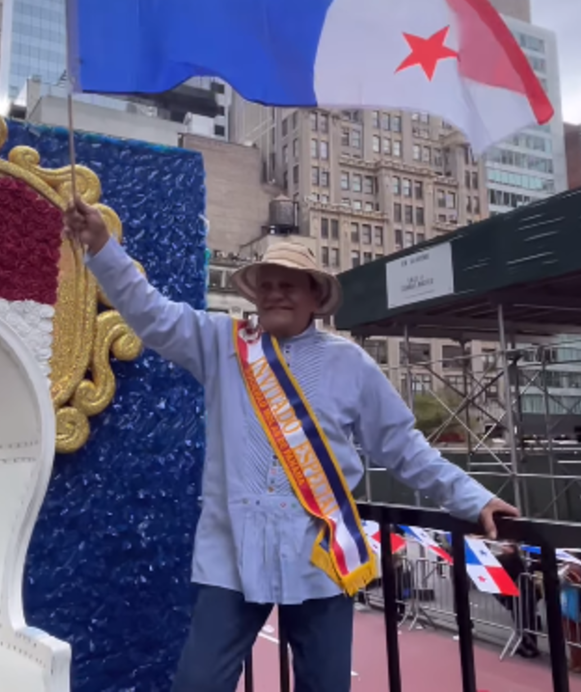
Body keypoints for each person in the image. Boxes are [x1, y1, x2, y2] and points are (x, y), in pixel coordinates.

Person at [64, 200, 518, 692]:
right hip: (231, 554)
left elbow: (404, 448)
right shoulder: (221, 342)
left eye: (289, 283)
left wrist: (475, 499)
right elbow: (150, 313)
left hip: (320, 557)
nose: (276, 293)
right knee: (197, 683)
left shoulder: (352, 364)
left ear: (314, 295)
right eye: (268, 284)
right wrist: (102, 247)